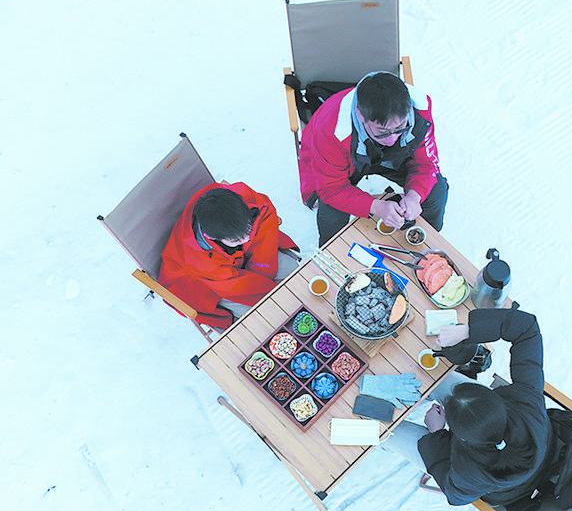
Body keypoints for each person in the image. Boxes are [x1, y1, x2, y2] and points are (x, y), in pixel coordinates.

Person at [382, 308, 550, 507]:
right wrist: (468, 331)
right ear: (495, 401)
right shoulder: (527, 401)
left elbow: (455, 496)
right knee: (436, 379)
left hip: (465, 467)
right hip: (537, 441)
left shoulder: (470, 474)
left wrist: (436, 434)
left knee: (380, 430)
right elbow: (526, 328)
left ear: (458, 435)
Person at [298, 71, 449, 245]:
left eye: (401, 127)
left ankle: (425, 240)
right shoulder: (331, 130)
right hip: (347, 158)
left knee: (437, 190)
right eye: (382, 132)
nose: (392, 139)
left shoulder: (419, 111)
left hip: (394, 156)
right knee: (331, 214)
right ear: (360, 115)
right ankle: (332, 250)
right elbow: (331, 189)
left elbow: (427, 165)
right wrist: (375, 206)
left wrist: (415, 196)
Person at [159, 182, 298, 329]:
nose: (247, 238)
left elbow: (265, 216)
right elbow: (239, 288)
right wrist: (275, 295)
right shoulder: (200, 260)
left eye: (248, 229)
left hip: (237, 258)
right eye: (236, 239)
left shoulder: (242, 199)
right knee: (260, 313)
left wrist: (261, 267)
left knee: (292, 270)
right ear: (211, 237)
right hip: (203, 282)